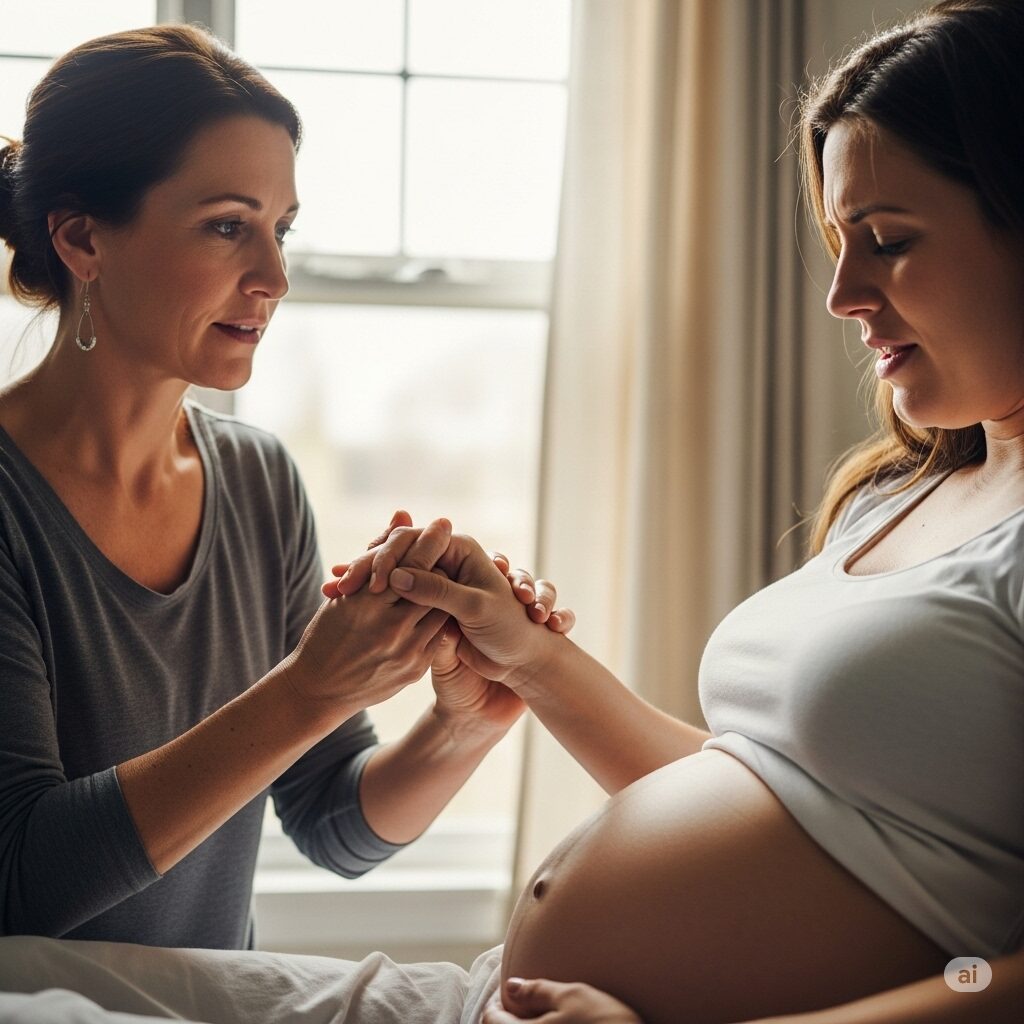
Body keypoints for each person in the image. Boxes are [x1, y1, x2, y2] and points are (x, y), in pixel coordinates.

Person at [329, 0, 1024, 1020]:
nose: (841, 292)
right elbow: (776, 803)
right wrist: (526, 652)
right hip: (490, 999)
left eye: (886, 240)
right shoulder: (892, 496)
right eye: (838, 239)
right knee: (31, 976)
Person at [0, 24, 568, 950]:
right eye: (229, 226)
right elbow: (18, 881)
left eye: (281, 229)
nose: (273, 276)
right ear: (80, 238)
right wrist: (310, 688)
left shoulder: (260, 483)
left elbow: (331, 823)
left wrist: (464, 723)